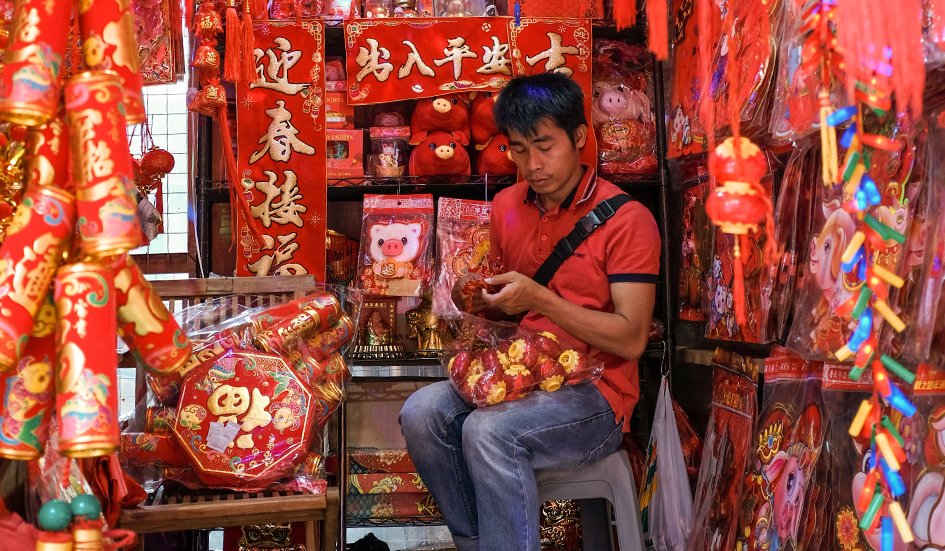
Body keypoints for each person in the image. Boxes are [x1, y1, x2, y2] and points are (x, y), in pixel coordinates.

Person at [399, 72, 661, 551]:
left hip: (595, 396)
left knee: (488, 430)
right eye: (519, 149)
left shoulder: (628, 219)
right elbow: (512, 313)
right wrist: (480, 302)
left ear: (579, 137)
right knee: (422, 412)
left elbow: (631, 339)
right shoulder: (506, 206)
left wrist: (539, 299)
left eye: (545, 145)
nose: (532, 164)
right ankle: (481, 543)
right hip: (520, 371)